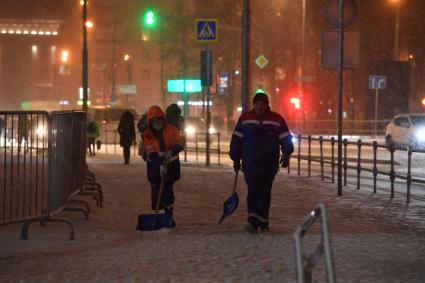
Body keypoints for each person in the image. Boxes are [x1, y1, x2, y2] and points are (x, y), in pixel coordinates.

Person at [229, 92, 294, 233]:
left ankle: (263, 221)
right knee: (253, 191)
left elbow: (285, 138)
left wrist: (286, 153)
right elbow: (237, 139)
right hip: (250, 162)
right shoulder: (245, 119)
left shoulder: (276, 119)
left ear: (266, 105)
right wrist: (235, 157)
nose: (259, 106)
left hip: (268, 163)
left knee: (265, 192)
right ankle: (253, 220)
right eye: (257, 103)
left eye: (262, 104)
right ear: (254, 104)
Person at [141, 105, 184, 227]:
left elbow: (180, 143)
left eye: (159, 119)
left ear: (163, 119)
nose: (157, 122)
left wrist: (172, 151)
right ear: (150, 121)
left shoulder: (172, 130)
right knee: (156, 192)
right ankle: (157, 217)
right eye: (154, 120)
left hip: (172, 167)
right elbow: (150, 152)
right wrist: (159, 164)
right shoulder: (148, 135)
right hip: (154, 167)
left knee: (167, 191)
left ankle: (168, 216)